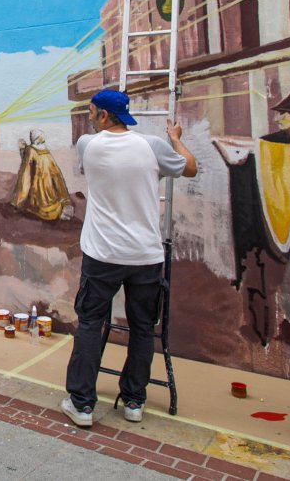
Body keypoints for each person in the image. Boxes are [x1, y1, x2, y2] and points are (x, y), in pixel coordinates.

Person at [62, 89, 197, 428]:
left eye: (93, 112)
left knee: (91, 323)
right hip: (145, 255)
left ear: (105, 116)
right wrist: (176, 140)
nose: (90, 117)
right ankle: (134, 400)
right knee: (141, 328)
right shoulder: (152, 147)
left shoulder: (87, 145)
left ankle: (81, 404)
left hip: (103, 253)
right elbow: (190, 168)